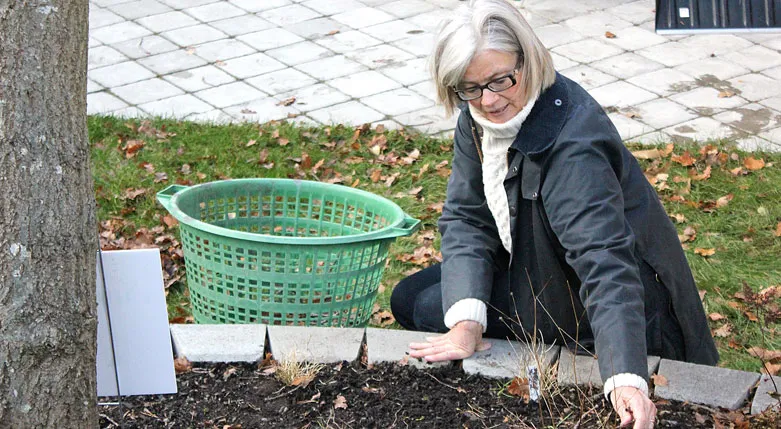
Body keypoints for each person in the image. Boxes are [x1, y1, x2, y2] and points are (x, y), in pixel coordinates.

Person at [389, 1, 719, 428]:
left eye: (500, 80)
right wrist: (467, 324)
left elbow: (605, 262)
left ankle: (564, 348)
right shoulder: (477, 117)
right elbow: (467, 217)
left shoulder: (572, 147)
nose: (489, 101)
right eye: (469, 88)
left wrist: (625, 375)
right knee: (411, 298)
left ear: (528, 60)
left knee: (430, 307)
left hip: (590, 301)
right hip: (540, 263)